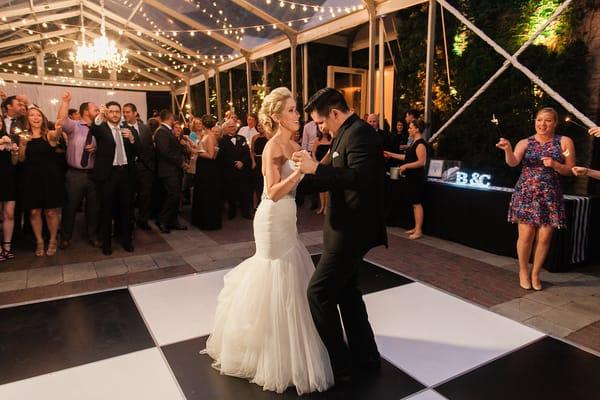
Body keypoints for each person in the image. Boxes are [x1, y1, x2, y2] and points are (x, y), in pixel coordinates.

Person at [202, 87, 333, 395]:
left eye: (296, 110)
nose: (297, 115)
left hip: (288, 217)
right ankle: (268, 352)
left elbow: (303, 177)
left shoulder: (294, 142)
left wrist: (313, 162)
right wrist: (299, 171)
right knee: (275, 274)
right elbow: (273, 192)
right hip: (272, 218)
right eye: (291, 110)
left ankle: (290, 347)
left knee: (292, 276)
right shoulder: (273, 145)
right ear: (276, 116)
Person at [292, 87, 387, 385]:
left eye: (321, 122)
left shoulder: (360, 134)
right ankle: (366, 356)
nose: (320, 128)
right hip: (343, 228)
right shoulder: (345, 133)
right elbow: (327, 175)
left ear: (334, 113)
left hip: (352, 231)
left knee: (318, 293)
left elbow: (359, 179)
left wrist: (314, 168)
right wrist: (295, 178)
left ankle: (340, 364)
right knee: (347, 293)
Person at [496, 107, 575, 291]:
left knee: (545, 237)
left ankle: (535, 273)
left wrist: (556, 164)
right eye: (539, 120)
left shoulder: (564, 142)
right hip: (526, 193)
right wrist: (507, 149)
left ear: (555, 123)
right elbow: (513, 162)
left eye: (547, 120)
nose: (542, 124)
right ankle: (523, 271)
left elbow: (570, 169)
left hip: (550, 195)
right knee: (526, 235)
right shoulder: (526, 142)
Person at [91, 101, 141, 255]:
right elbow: (95, 126)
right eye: (111, 111)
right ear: (107, 113)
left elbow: (139, 150)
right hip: (108, 175)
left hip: (125, 173)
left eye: (117, 112)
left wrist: (132, 139)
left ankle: (127, 241)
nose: (114, 114)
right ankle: (107, 244)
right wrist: (100, 114)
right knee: (106, 210)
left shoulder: (128, 129)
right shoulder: (102, 128)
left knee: (127, 210)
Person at [56, 92, 100, 249]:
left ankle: (93, 235)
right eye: (95, 108)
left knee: (94, 208)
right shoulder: (74, 126)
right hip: (75, 174)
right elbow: (61, 120)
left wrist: (97, 148)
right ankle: (66, 237)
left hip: (94, 175)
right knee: (70, 207)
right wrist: (66, 102)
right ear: (86, 111)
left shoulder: (99, 129)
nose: (98, 111)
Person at [18, 107, 64, 256]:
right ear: (28, 119)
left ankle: (52, 239)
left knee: (51, 211)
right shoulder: (24, 137)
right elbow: (20, 159)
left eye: (38, 115)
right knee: (33, 211)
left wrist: (57, 129)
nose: (35, 117)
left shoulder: (48, 135)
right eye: (32, 115)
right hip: (31, 178)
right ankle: (39, 241)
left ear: (43, 118)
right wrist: (23, 145)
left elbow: (56, 137)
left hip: (50, 178)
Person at [384, 119, 429, 239]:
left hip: (417, 178)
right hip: (411, 177)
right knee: (413, 203)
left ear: (417, 129)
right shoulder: (414, 142)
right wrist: (391, 154)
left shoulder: (420, 143)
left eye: (410, 127)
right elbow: (407, 157)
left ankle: (418, 230)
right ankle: (416, 227)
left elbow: (421, 162)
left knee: (416, 203)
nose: (408, 129)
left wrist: (405, 166)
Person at [123, 103, 155, 231]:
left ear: (135, 113)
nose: (125, 114)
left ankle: (143, 219)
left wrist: (151, 166)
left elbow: (149, 148)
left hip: (145, 168)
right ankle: (129, 221)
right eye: (124, 112)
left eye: (128, 112)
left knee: (145, 195)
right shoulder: (120, 128)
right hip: (129, 168)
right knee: (129, 196)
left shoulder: (145, 128)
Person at [154, 110, 187, 233]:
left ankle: (173, 221)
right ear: (170, 118)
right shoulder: (162, 132)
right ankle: (162, 220)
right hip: (168, 171)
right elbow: (165, 152)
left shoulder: (166, 131)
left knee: (175, 196)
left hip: (173, 170)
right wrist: (180, 161)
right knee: (172, 196)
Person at [191, 115, 222, 230]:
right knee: (202, 192)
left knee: (207, 192)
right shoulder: (206, 135)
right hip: (203, 167)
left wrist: (197, 152)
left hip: (208, 168)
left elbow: (211, 155)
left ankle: (208, 221)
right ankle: (202, 219)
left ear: (204, 124)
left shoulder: (209, 136)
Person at [219, 118, 253, 219]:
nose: (232, 128)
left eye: (233, 126)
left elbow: (247, 152)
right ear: (226, 128)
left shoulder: (242, 138)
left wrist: (242, 162)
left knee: (245, 192)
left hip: (242, 171)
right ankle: (231, 213)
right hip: (229, 171)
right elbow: (222, 156)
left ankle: (246, 213)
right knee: (231, 192)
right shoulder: (223, 140)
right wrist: (234, 163)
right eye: (230, 127)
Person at [0, 118, 19, 261]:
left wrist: (14, 152)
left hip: (8, 179)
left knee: (9, 214)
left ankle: (7, 247)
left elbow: (14, 163)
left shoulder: (8, 138)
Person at [311, 128, 332, 214]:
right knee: (321, 187)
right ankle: (322, 206)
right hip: (318, 165)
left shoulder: (332, 140)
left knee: (327, 187)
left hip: (328, 165)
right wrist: (316, 162)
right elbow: (313, 152)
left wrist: (322, 163)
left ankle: (327, 207)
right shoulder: (316, 140)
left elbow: (330, 153)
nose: (323, 129)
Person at [250, 122, 268, 207]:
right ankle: (256, 206)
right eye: (258, 125)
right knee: (257, 184)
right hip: (257, 161)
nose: (260, 127)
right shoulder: (254, 137)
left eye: (262, 125)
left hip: (266, 162)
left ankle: (266, 205)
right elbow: (252, 151)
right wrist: (253, 162)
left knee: (266, 183)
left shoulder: (269, 136)